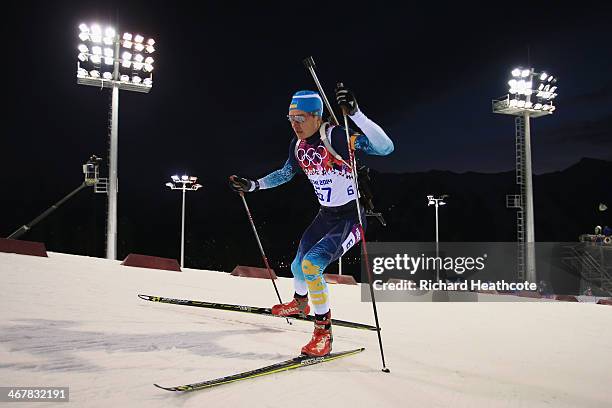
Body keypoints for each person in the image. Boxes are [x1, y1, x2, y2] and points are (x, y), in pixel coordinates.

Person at [229, 85, 394, 356]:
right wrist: (254, 185)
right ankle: (300, 303)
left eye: (301, 118)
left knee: (311, 265)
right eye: (291, 118)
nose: (295, 124)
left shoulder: (337, 137)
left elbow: (385, 148)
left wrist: (357, 114)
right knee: (297, 265)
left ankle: (323, 334)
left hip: (350, 218)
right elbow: (285, 174)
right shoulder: (298, 145)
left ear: (317, 117)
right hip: (326, 216)